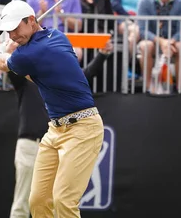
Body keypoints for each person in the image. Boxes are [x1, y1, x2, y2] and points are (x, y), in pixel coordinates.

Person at [0, 0, 104, 217]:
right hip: (55, 130)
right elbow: (33, 74)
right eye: (9, 31)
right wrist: (17, 47)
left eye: (16, 28)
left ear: (32, 20)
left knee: (64, 200)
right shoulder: (57, 36)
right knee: (38, 200)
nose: (13, 35)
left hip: (83, 129)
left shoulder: (29, 54)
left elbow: (1, 62)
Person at [6, 40, 112, 218]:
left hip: (59, 143)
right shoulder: (25, 80)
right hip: (30, 144)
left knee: (59, 200)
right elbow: (11, 66)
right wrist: (8, 51)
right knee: (26, 201)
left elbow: (86, 73)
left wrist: (101, 55)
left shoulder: (63, 82)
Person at [137, 0, 181, 92]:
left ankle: (179, 89)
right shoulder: (145, 1)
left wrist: (170, 42)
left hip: (173, 42)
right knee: (145, 46)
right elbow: (143, 30)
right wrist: (162, 42)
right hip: (153, 41)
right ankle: (149, 87)